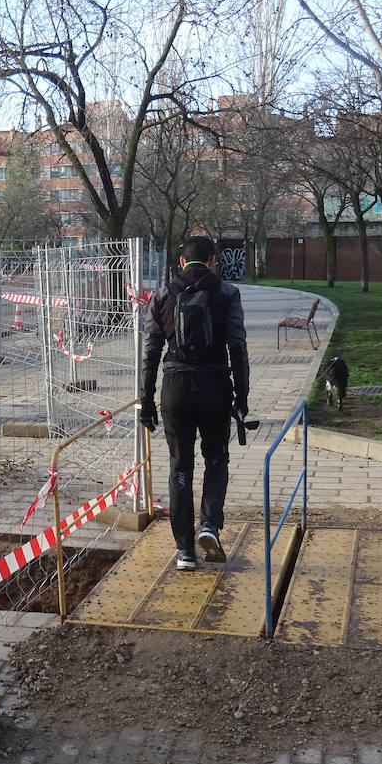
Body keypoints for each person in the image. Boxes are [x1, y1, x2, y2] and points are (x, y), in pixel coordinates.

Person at [140, 236, 250, 571]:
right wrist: (242, 395)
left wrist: (146, 400)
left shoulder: (161, 295)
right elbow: (238, 345)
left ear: (181, 261)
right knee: (216, 460)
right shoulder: (228, 293)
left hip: (176, 388)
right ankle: (209, 526)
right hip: (215, 386)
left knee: (180, 468)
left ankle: (185, 551)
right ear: (213, 261)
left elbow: (151, 351)